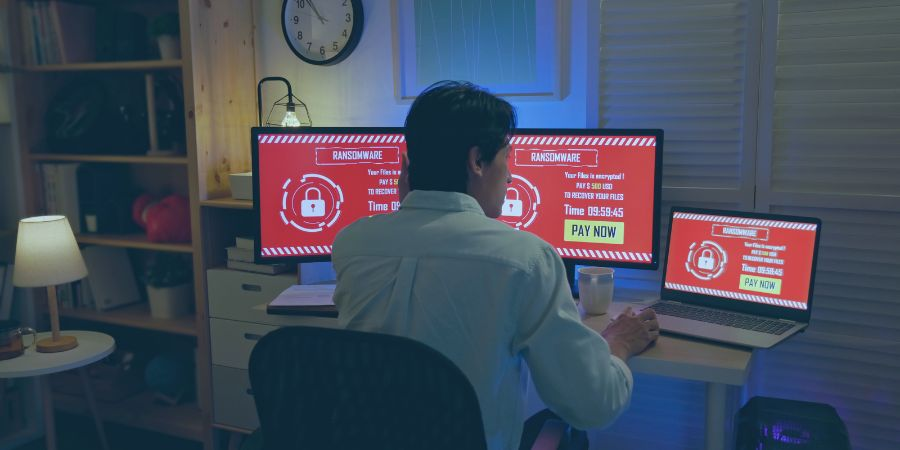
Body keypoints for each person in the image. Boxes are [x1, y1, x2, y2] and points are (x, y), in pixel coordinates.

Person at [332, 80, 659, 450]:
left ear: (405, 166)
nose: (511, 174)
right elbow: (594, 405)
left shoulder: (352, 244)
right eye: (508, 157)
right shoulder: (525, 260)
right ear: (477, 161)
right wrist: (618, 343)